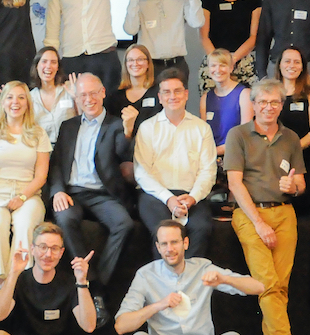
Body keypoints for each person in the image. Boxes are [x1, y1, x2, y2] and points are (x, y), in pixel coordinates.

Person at [113, 220, 257, 335]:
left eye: (174, 242)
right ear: (157, 247)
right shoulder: (145, 274)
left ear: (185, 243)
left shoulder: (203, 267)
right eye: (164, 244)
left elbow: (257, 287)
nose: (169, 249)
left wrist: (225, 279)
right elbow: (121, 326)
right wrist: (160, 304)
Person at [223, 78, 310, 335]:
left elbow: (301, 182)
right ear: (254, 104)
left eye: (274, 102)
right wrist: (259, 223)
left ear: (281, 105)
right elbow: (234, 183)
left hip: (285, 214)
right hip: (249, 215)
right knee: (268, 284)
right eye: (263, 102)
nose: (268, 107)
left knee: (280, 287)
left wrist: (295, 186)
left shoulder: (291, 138)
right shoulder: (238, 135)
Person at [48, 73, 136, 324]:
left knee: (124, 224)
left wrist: (128, 131)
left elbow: (123, 153)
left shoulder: (116, 125)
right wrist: (57, 191)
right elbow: (56, 166)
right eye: (83, 95)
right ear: (77, 98)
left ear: (103, 93)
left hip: (102, 193)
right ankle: (90, 284)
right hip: (72, 192)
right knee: (64, 220)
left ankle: (97, 283)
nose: (88, 99)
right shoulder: (68, 126)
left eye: (93, 93)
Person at [0, 81, 52, 284]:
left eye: (21, 97)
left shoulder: (38, 133)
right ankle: (2, 281)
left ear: (28, 103)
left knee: (25, 224)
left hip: (28, 192)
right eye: (10, 97)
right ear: (3, 102)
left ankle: (21, 282)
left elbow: (41, 176)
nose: (16, 102)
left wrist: (22, 197)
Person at [133, 70, 217, 260]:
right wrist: (169, 199)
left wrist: (192, 198)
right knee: (164, 232)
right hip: (155, 196)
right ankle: (164, 286)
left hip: (191, 195)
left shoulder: (201, 128)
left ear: (186, 94)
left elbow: (208, 171)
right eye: (167, 92)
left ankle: (189, 285)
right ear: (160, 97)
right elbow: (141, 173)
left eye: (177, 91)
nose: (173, 96)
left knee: (202, 227)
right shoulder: (147, 127)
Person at [123, 0, 204, 79]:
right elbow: (130, 30)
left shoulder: (181, 1)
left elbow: (198, 22)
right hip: (149, 66)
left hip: (177, 65)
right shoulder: (139, 2)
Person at [199, 0, 263, 93]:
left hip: (243, 63)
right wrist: (219, 61)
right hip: (214, 63)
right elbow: (204, 36)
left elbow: (254, 36)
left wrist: (233, 59)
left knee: (245, 110)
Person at [276, 47, 310, 215]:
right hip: (274, 156)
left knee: (303, 209)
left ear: (303, 67)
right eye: (287, 61)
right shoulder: (271, 93)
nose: (292, 65)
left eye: (297, 62)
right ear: (279, 65)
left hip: (304, 157)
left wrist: (291, 149)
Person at [200, 50, 253, 156]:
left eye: (222, 65)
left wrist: (215, 151)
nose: (217, 70)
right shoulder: (205, 98)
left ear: (231, 68)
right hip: (211, 157)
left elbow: (246, 135)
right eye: (213, 66)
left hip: (236, 156)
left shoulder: (244, 94)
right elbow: (204, 135)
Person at [106, 44, 160, 138]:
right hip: (122, 147)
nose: (135, 63)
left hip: (152, 145)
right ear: (126, 64)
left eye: (140, 59)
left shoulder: (158, 92)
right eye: (130, 60)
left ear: (148, 63)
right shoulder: (115, 95)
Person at [28, 46, 76, 143]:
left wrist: (77, 98)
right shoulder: (29, 97)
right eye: (44, 61)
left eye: (53, 62)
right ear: (36, 66)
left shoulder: (69, 89)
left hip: (69, 148)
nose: (48, 66)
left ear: (58, 67)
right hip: (41, 151)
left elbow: (84, 119)